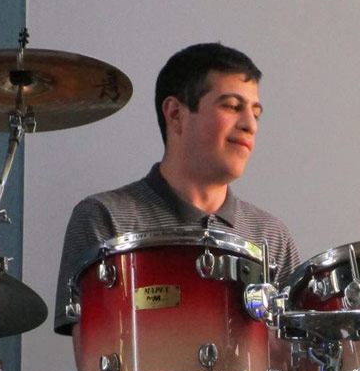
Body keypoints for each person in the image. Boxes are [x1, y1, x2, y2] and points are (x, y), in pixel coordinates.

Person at [53, 42, 300, 335]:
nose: (250, 125)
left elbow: (300, 370)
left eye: (255, 113)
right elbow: (95, 361)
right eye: (232, 106)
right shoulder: (106, 218)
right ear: (175, 114)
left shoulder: (271, 236)